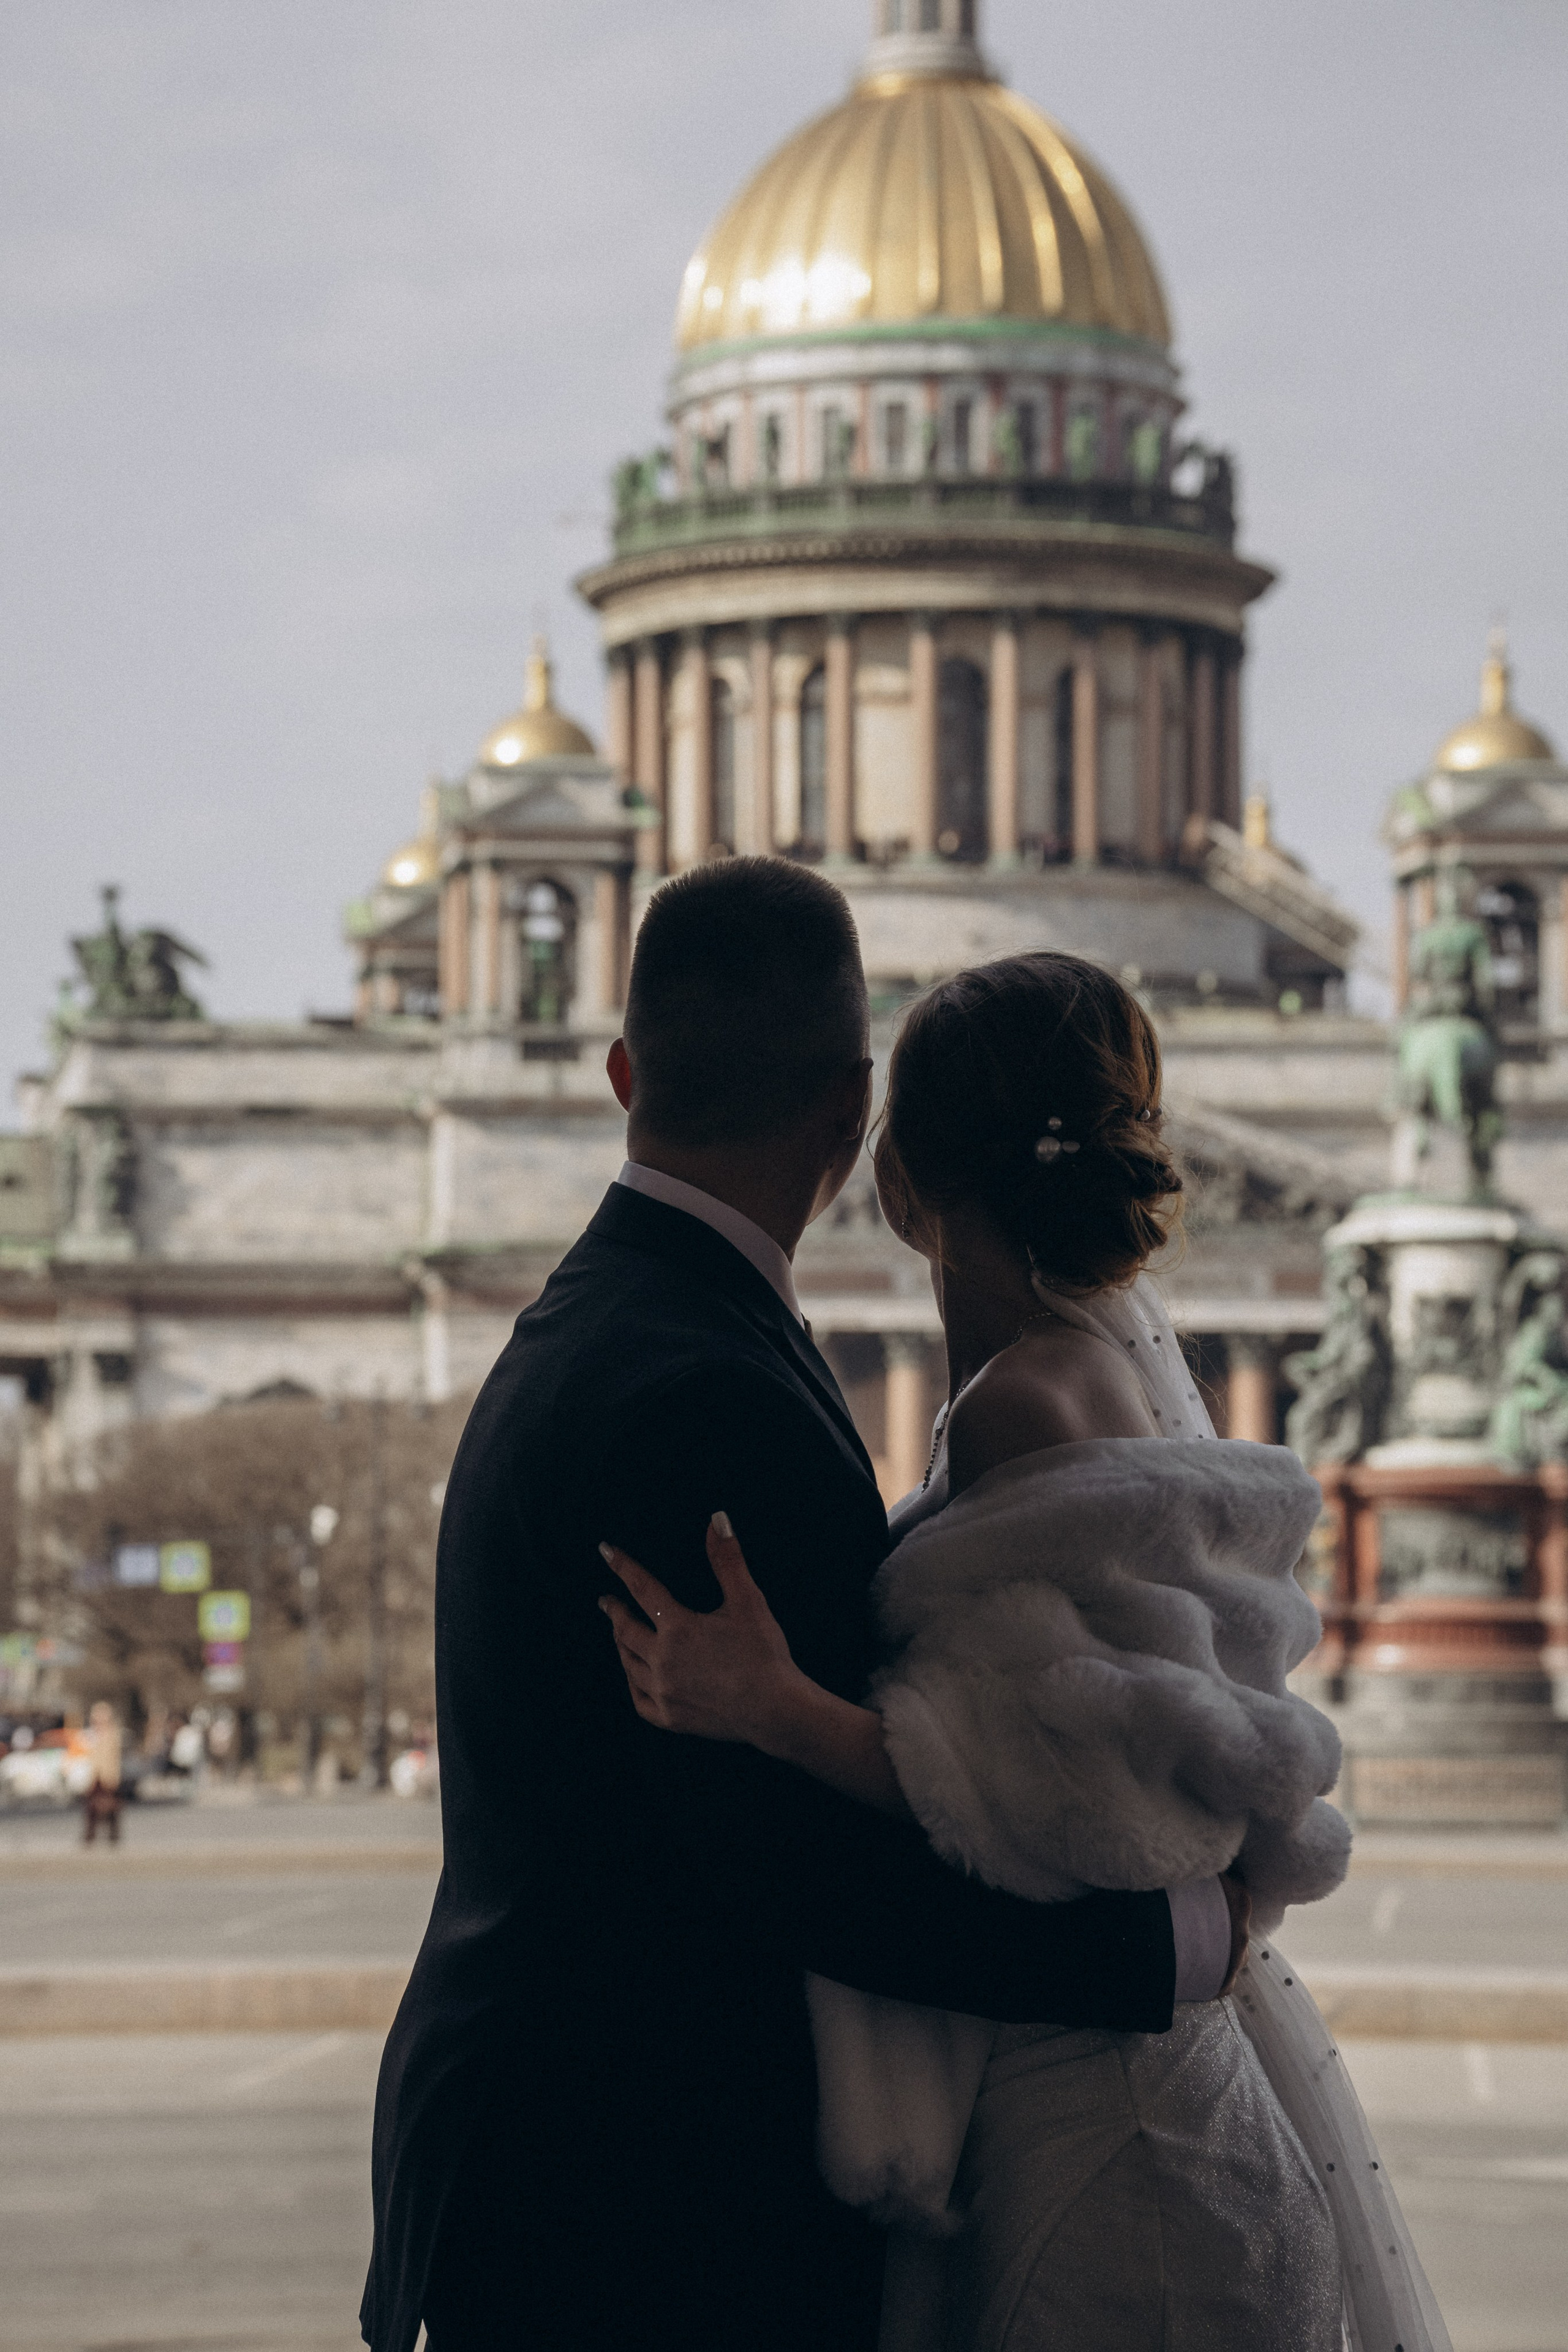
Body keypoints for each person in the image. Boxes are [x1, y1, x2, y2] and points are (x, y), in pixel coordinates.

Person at [360, 869, 1243, 2352]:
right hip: (640, 2211)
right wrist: (1164, 1948)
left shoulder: (624, 1322)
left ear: (623, 1074)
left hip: (581, 2179)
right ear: (851, 1109)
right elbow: (794, 1873)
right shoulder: (701, 1383)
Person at [602, 952, 1450, 2352]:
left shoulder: (1022, 1403)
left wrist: (776, 1706)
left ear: (897, 1174)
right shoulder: (1087, 1371)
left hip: (1109, 2146)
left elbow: (1056, 1791)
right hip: (1153, 2107)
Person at [81, 1700, 123, 1845]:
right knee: (92, 1807)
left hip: (108, 1775)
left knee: (111, 1806)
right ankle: (90, 1835)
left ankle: (113, 1835)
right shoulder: (91, 1734)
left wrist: (115, 1776)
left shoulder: (113, 1734)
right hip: (94, 1775)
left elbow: (115, 1758)